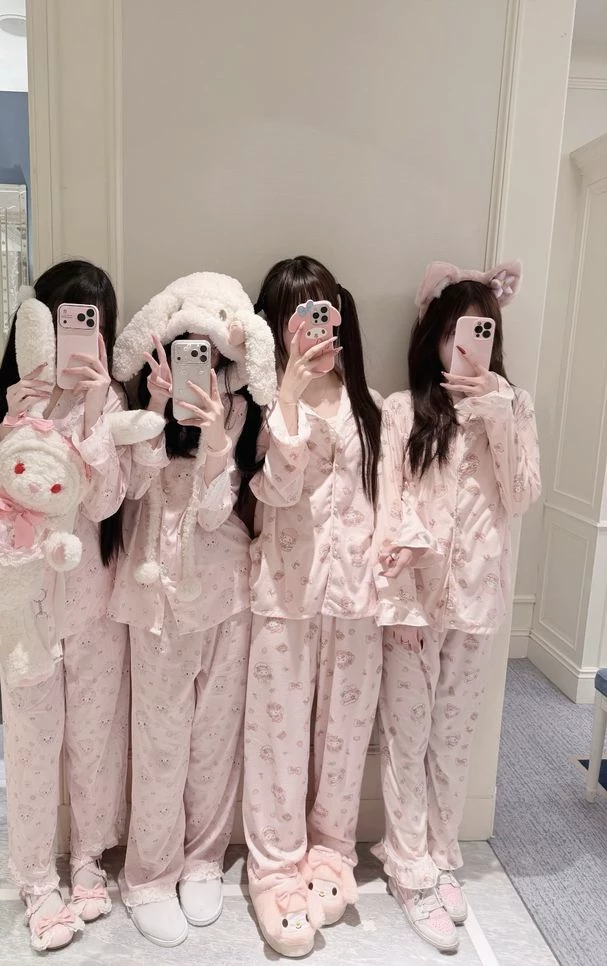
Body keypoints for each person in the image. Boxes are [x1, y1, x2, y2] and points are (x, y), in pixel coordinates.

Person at [0, 260, 132, 952]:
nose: (79, 331)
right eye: (66, 316)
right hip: (24, 606)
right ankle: (37, 880)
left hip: (93, 601)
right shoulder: (5, 394)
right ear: (37, 322)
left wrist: (98, 410)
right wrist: (13, 419)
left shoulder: (110, 400)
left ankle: (89, 860)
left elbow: (105, 503)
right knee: (32, 744)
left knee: (95, 739)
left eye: (90, 319)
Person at [372, 260, 540, 953]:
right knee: (406, 737)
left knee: (452, 738)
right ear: (432, 337)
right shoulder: (400, 411)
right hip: (413, 606)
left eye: (479, 333)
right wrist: (400, 603)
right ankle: (406, 864)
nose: (463, 347)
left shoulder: (513, 407)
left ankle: (440, 857)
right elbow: (389, 510)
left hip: (475, 602)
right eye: (452, 333)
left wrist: (498, 412)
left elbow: (520, 495)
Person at [108, 272, 277, 948]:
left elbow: (213, 513)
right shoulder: (139, 405)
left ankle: (203, 860)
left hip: (225, 590)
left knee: (213, 738)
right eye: (183, 349)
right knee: (159, 741)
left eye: (204, 351)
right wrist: (153, 408)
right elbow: (131, 491)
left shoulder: (236, 412)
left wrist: (214, 441)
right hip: (155, 595)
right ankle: (149, 876)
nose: (194, 364)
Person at [243, 255, 383, 958]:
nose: (314, 328)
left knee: (342, 737)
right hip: (284, 595)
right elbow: (275, 492)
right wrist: (289, 399)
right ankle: (273, 871)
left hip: (355, 600)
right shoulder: (263, 406)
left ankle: (331, 851)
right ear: (277, 327)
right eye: (297, 315)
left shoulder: (374, 407)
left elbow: (391, 502)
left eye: (322, 310)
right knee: (277, 741)